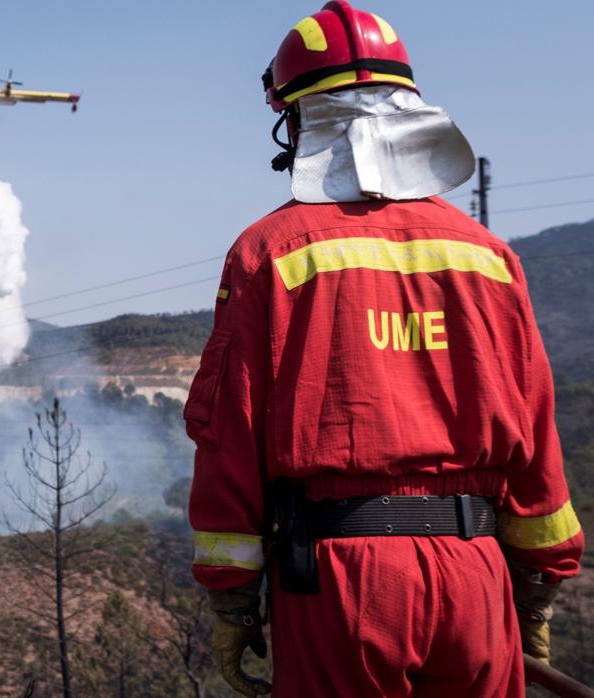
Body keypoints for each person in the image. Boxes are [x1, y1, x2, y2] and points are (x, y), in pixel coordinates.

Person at [184, 3, 583, 696]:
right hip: (477, 574)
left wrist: (231, 598)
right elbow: (535, 437)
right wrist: (539, 586)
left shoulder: (268, 255)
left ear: (301, 120)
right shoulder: (489, 258)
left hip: (341, 584)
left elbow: (230, 436)